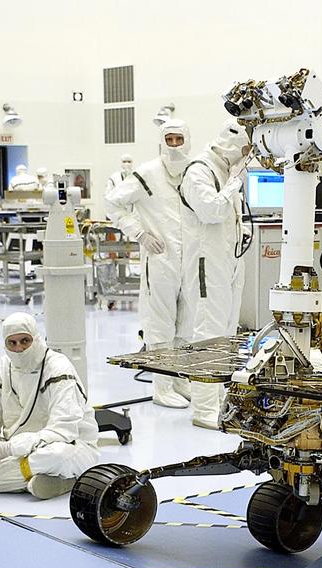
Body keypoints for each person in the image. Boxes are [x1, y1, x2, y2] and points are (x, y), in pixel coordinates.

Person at [0, 313, 100, 499]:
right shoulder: (1, 367)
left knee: (55, 455)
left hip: (69, 446)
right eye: (12, 343)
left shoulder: (58, 368)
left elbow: (63, 431)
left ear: (36, 338)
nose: (19, 348)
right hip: (15, 450)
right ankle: (31, 480)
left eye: (25, 341)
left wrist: (9, 449)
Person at [105, 120, 194, 409]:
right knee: (160, 325)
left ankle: (180, 379)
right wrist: (139, 233)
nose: (175, 145)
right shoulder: (147, 173)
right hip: (160, 259)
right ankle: (161, 386)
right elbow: (113, 203)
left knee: (186, 325)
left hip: (191, 260)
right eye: (169, 139)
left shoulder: (195, 172)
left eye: (179, 138)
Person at [179, 118, 251, 429]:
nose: (249, 154)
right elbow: (211, 211)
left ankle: (220, 397)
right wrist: (236, 180)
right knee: (208, 332)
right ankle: (203, 408)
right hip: (208, 262)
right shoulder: (199, 171)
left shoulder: (224, 169)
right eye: (246, 149)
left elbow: (232, 212)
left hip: (229, 259)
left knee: (227, 332)